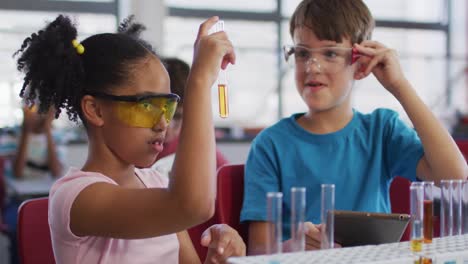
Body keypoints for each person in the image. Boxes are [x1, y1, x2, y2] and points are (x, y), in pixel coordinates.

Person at [240, 0, 468, 254]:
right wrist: (294, 246)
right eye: (303, 53)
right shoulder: (271, 144)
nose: (312, 66)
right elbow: (258, 251)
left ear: (360, 65)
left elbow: (454, 175)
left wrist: (399, 85)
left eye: (330, 53)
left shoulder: (382, 130)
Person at [14, 14, 245, 263]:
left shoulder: (156, 181)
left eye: (166, 106)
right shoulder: (75, 197)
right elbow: (193, 205)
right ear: (96, 110)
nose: (162, 123)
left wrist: (217, 258)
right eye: (147, 106)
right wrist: (199, 81)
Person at [153, 58, 228, 177]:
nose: (167, 125)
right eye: (159, 113)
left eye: (177, 117)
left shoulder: (194, 145)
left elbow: (226, 178)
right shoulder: (136, 148)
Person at [13, 105, 63, 179]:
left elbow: (56, 172)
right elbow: (17, 173)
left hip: (47, 186)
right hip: (22, 187)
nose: (38, 114)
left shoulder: (57, 137)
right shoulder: (14, 135)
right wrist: (26, 130)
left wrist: (47, 129)